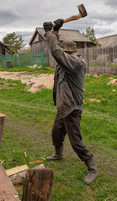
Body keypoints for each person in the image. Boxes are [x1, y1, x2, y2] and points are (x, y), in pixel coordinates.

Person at [43, 19, 99, 185]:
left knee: (76, 142)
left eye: (64, 53)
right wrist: (55, 32)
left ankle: (92, 167)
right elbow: (58, 53)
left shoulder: (76, 63)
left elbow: (56, 53)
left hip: (72, 109)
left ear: (70, 53)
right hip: (63, 107)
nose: (63, 56)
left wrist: (48, 34)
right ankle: (58, 153)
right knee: (56, 133)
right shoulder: (66, 62)